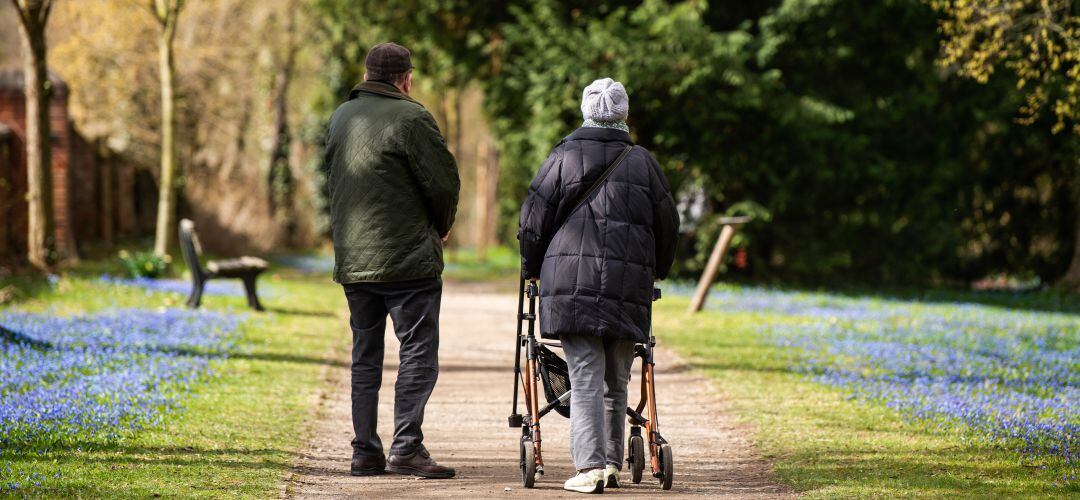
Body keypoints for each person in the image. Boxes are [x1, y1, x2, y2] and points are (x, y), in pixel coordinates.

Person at [518, 77, 680, 494]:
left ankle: (591, 467)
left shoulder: (563, 155)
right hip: (629, 285)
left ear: (586, 111)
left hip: (572, 283)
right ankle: (608, 463)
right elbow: (668, 225)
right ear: (623, 114)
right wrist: (656, 270)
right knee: (617, 378)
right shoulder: (643, 162)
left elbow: (533, 219)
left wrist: (531, 268)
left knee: (585, 374)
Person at [324, 42, 460, 479]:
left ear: (366, 76)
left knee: (365, 355)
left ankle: (364, 452)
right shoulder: (412, 117)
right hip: (408, 263)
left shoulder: (340, 117)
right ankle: (406, 447)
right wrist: (441, 225)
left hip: (355, 261)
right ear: (406, 79)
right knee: (417, 352)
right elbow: (443, 183)